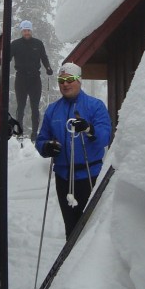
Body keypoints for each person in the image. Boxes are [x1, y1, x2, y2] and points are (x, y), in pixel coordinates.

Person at [35, 62, 112, 238]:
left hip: (90, 175)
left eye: (70, 79)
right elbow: (41, 140)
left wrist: (89, 129)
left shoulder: (95, 106)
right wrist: (47, 147)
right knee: (71, 227)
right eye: (61, 80)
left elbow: (105, 137)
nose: (65, 84)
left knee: (90, 228)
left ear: (79, 80)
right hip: (63, 177)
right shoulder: (53, 110)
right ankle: (70, 264)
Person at [12, 20, 52, 140]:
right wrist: (2, 64)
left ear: (31, 31)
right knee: (21, 106)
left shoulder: (38, 44)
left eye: (28, 30)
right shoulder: (15, 44)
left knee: (35, 107)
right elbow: (8, 57)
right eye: (24, 30)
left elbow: (44, 57)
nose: (26, 32)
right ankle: (19, 133)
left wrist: (48, 68)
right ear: (21, 31)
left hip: (35, 79)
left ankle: (35, 134)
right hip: (21, 78)